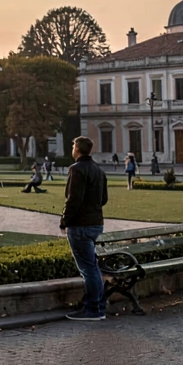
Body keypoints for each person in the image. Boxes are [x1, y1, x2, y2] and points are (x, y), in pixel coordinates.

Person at [62, 136, 108, 321]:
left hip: (80, 224)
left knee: (88, 269)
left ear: (77, 149)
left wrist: (64, 220)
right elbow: (103, 198)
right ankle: (99, 306)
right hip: (96, 223)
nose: (72, 148)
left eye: (73, 145)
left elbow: (73, 199)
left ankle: (93, 309)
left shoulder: (76, 169)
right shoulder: (98, 169)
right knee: (92, 268)